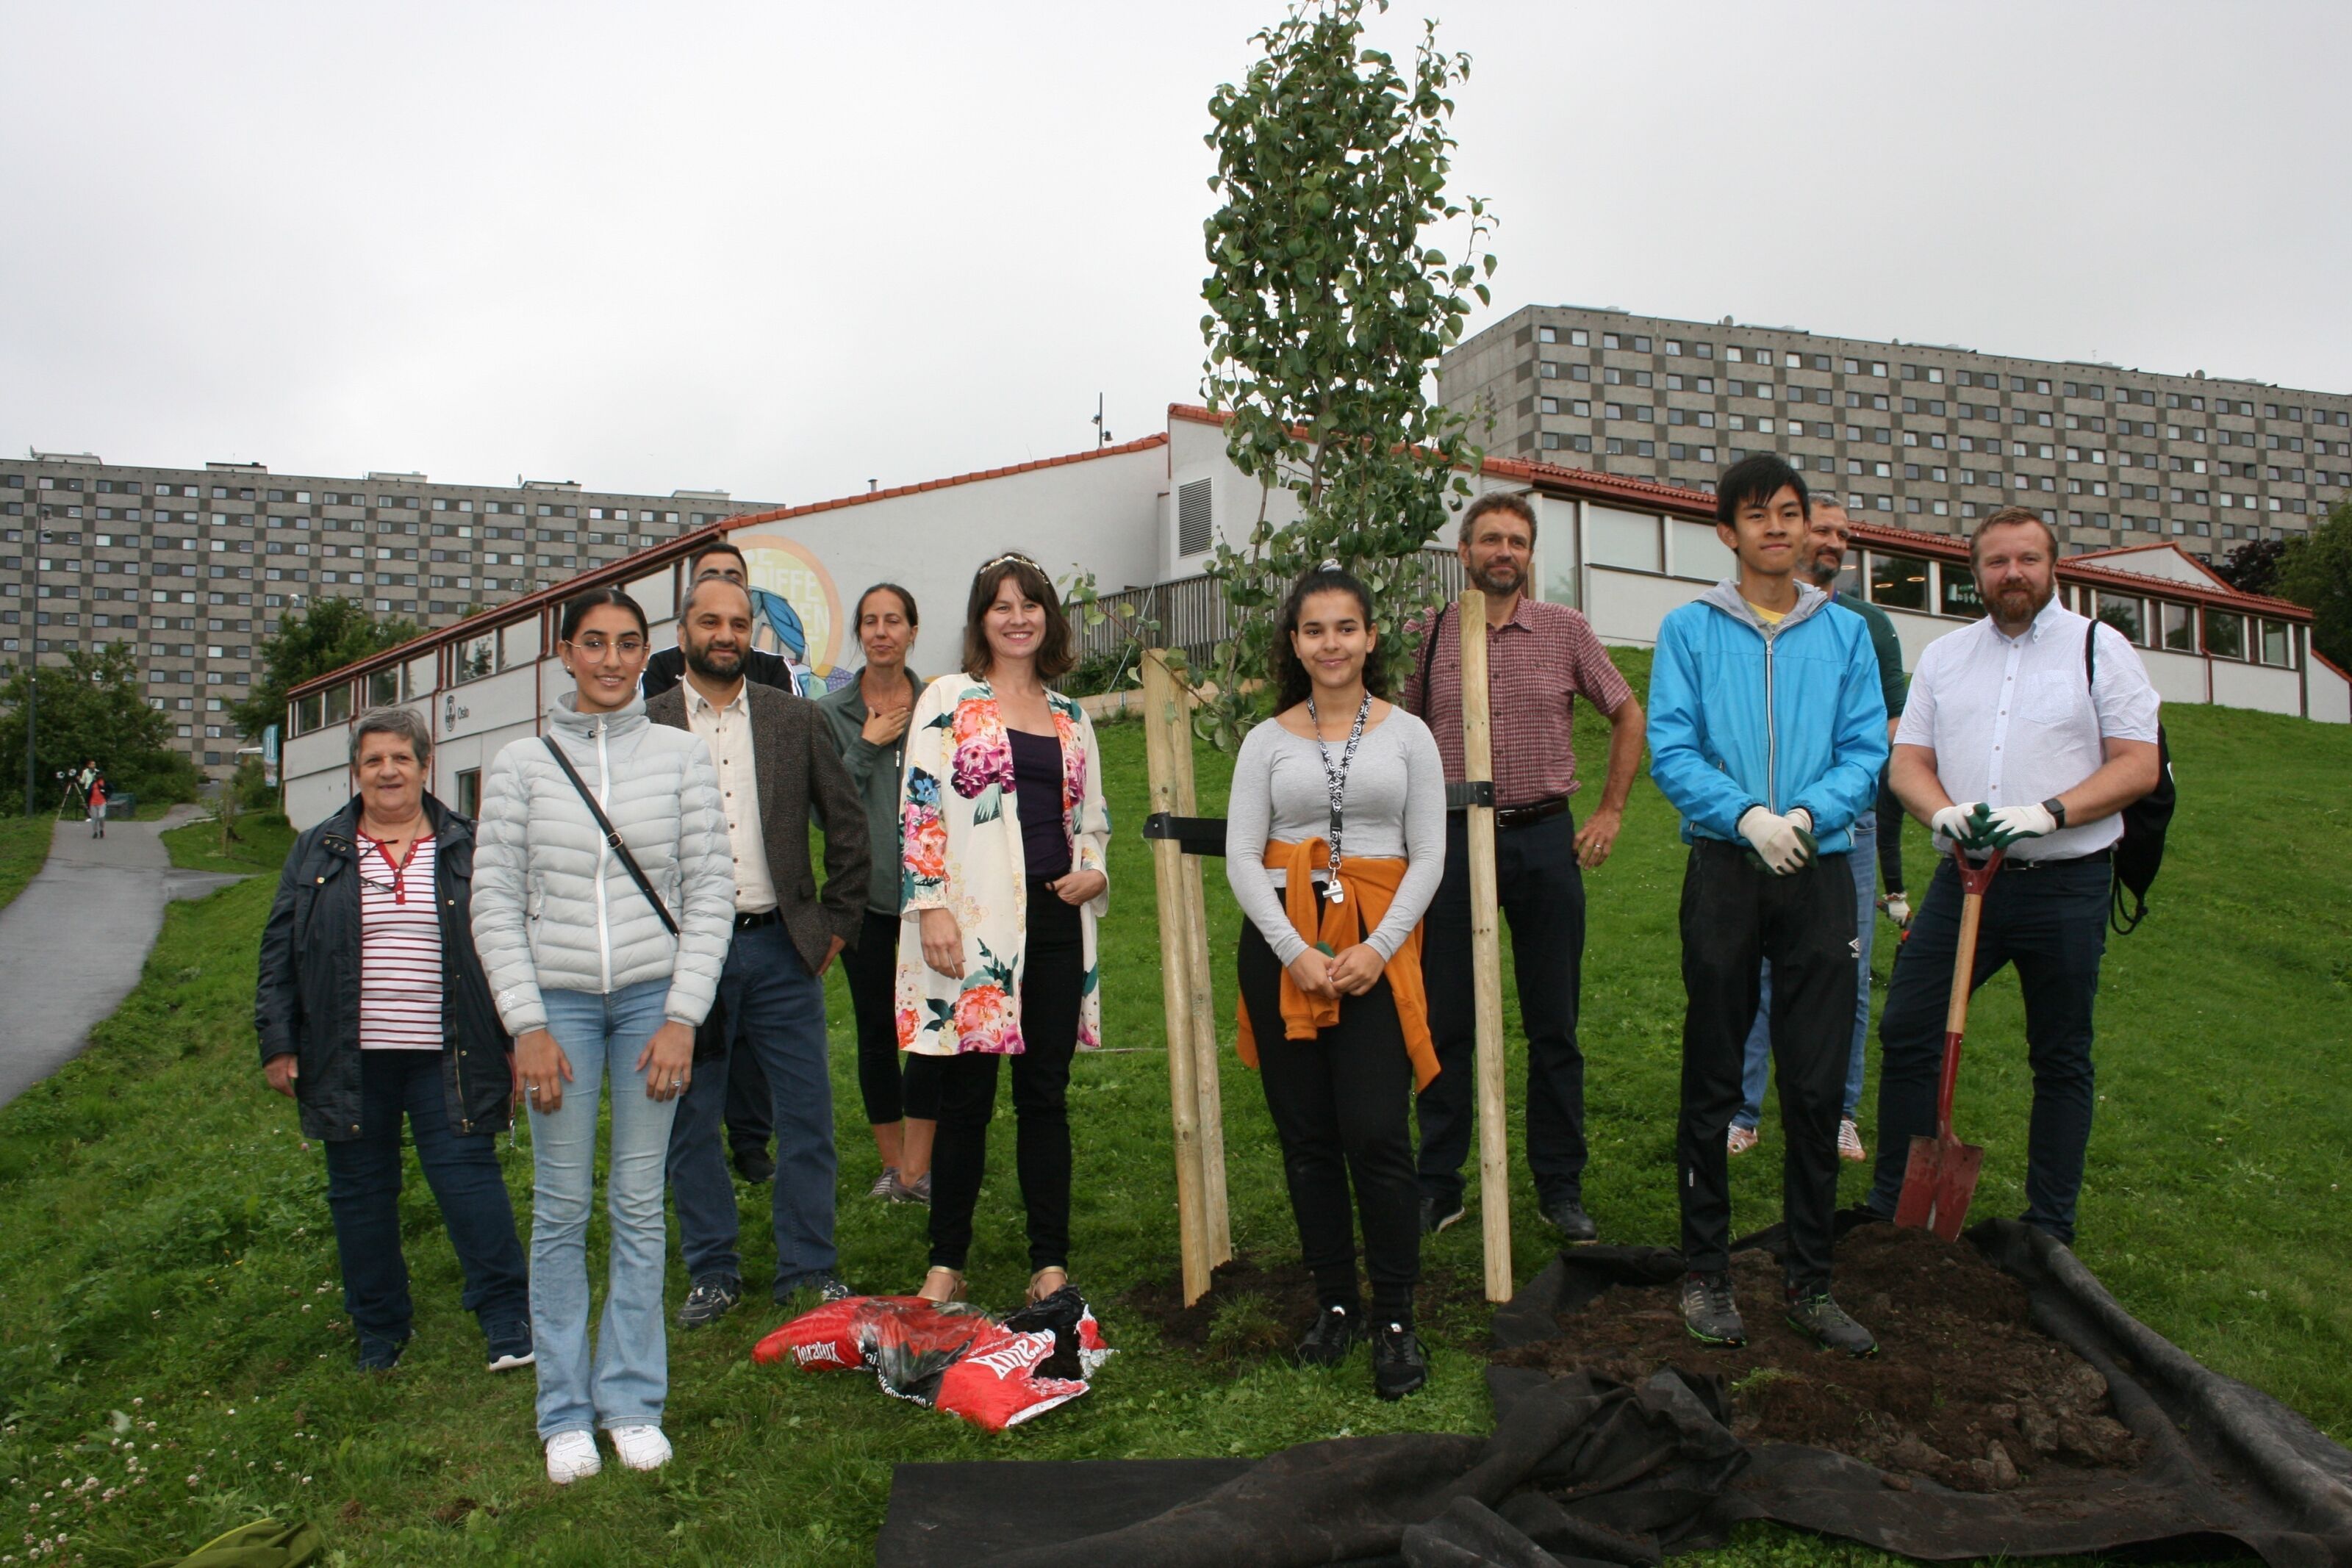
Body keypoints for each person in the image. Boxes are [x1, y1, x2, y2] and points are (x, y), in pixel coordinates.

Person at [472, 587, 734, 1486]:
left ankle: (630, 1399)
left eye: (627, 643)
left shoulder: (680, 756)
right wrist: (527, 1024)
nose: (612, 660)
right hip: (559, 1009)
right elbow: (494, 903)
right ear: (566, 653)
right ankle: (563, 1410)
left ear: (644, 653)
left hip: (653, 1002)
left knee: (636, 1202)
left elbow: (710, 893)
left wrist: (682, 1017)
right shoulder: (519, 764)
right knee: (558, 1208)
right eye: (594, 643)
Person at [1865, 506, 2160, 1245]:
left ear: (2052, 566)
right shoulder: (1946, 657)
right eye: (1997, 562)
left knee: (2059, 1052)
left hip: (2066, 883)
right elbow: (1908, 762)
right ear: (1976, 575)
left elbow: (2137, 764)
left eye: (2028, 558)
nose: (2013, 573)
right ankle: (1892, 1208)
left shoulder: (2099, 648)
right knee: (1907, 1027)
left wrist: (2048, 814)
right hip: (1965, 880)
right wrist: (1941, 812)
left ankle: (2048, 1226)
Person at [1646, 456, 1889, 1356]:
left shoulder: (1845, 634)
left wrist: (1808, 816)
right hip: (1724, 867)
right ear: (1726, 531)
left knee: (1816, 1083)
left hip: (1818, 871)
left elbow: (1865, 749)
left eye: (1789, 512)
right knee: (1713, 1073)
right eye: (1757, 515)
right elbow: (1671, 747)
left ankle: (1809, 1279)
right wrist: (1745, 815)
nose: (1776, 528)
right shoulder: (1688, 629)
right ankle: (1706, 1271)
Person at [254, 707, 530, 1376]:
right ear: (356, 771)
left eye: (401, 758)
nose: (388, 772)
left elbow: (512, 945)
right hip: (346, 1055)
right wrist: (279, 1043)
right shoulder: (317, 850)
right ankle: (379, 1329)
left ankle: (506, 1317)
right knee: (359, 1193)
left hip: (453, 1049)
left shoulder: (469, 844)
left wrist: (521, 1036)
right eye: (374, 760)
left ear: (425, 765)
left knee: (469, 1182)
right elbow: (279, 951)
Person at [1228, 562, 1446, 1400]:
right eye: (1314, 630)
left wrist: (1379, 948)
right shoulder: (1265, 741)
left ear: (1370, 637)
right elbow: (1242, 860)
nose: (1331, 644)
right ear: (1294, 643)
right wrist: (1294, 952)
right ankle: (1334, 1303)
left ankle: (1394, 1316)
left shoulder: (1409, 735)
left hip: (1376, 951)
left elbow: (1429, 854)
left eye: (1345, 628)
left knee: (1377, 1132)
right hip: (1283, 950)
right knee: (1308, 1138)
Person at [1402, 492, 1644, 1243]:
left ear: (1529, 554)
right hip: (1450, 841)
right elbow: (1397, 731)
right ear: (1464, 552)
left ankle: (1558, 1184)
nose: (1502, 551)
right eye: (1489, 539)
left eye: (1515, 540)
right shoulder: (1430, 633)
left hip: (1543, 840)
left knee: (1553, 1023)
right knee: (1446, 1020)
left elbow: (1626, 712)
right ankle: (1439, 1184)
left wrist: (1609, 811)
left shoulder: (1565, 630)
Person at [653, 574, 869, 1328]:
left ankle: (808, 1267)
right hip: (684, 959)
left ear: (753, 634)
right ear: (683, 633)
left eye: (739, 623)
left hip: (780, 947)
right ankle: (712, 1270)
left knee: (807, 1116)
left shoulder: (793, 719)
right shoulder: (646, 725)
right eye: (710, 622)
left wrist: (835, 924)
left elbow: (848, 826)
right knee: (690, 1121)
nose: (726, 635)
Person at [896, 552, 1110, 1309]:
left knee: (1044, 1095)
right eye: (1001, 606)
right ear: (980, 619)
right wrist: (931, 906)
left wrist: (1094, 869)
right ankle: (945, 1262)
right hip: (974, 923)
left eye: (1030, 604)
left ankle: (1048, 1262)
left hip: (1054, 922)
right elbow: (920, 805)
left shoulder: (1072, 716)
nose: (1018, 618)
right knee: (966, 1095)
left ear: (1048, 616)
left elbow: (1093, 820)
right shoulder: (948, 698)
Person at [1727, 496, 1907, 1165]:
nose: (1833, 541)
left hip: (1845, 824)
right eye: (1822, 529)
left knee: (1844, 971)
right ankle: (1743, 1111)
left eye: (1843, 534)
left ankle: (1839, 1112)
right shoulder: (1743, 620)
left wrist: (1832, 794)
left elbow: (1891, 724)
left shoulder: (1868, 625)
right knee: (1755, 966)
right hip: (1759, 820)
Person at [642, 539, 792, 1182]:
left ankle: (751, 1142)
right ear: (685, 620)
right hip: (682, 907)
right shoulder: (659, 674)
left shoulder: (773, 673)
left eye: (737, 586)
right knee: (694, 1042)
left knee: (754, 1043)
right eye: (712, 587)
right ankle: (689, 1163)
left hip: (761, 902)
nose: (725, 631)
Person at [817, 582, 941, 1204]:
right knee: (875, 1032)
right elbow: (823, 810)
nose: (882, 632)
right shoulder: (830, 714)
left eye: (894, 620)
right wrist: (866, 747)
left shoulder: (940, 707)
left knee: (930, 1030)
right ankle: (893, 1166)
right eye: (871, 621)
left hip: (930, 902)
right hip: (862, 901)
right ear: (859, 633)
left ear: (913, 631)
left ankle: (922, 1164)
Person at [86, 766, 107, 838]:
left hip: (102, 802)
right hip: (93, 803)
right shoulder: (93, 783)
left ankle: (101, 829)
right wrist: (87, 802)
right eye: (97, 775)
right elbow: (88, 792)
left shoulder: (105, 783)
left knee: (101, 816)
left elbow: (110, 790)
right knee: (94, 818)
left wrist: (108, 797)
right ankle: (95, 832)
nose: (98, 776)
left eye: (100, 775)